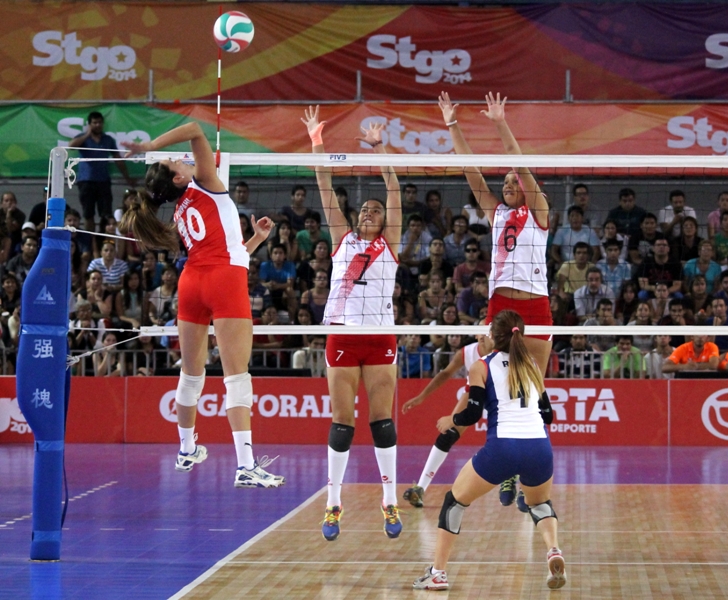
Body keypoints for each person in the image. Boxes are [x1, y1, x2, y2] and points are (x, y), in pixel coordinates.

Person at [120, 121, 283, 489]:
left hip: (193, 282)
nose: (181, 160)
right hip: (223, 281)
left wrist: (256, 239)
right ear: (178, 180)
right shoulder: (206, 182)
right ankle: (245, 465)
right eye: (175, 164)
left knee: (191, 375)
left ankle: (186, 448)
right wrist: (150, 146)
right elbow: (194, 128)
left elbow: (227, 252)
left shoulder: (180, 209)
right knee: (236, 378)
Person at [303, 106, 403, 541]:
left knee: (381, 421)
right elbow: (325, 183)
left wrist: (380, 149)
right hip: (342, 334)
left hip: (379, 335)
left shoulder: (390, 243)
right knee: (342, 422)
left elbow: (395, 190)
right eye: (364, 208)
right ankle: (333, 503)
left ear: (382, 221)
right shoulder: (342, 236)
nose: (369, 212)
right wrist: (316, 141)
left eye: (375, 211)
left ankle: (390, 499)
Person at [412, 310, 564, 592]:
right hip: (540, 447)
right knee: (539, 504)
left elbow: (472, 413)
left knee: (454, 502)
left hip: (503, 447)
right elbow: (548, 415)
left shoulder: (481, 366)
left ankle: (438, 573)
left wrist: (451, 420)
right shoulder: (531, 364)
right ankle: (553, 550)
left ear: (492, 335)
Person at [439, 91, 553, 375]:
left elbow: (519, 163)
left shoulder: (538, 209)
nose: (508, 185)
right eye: (504, 182)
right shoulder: (497, 212)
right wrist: (452, 125)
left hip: (535, 302)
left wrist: (500, 123)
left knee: (533, 385)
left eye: (514, 182)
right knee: (497, 380)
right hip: (500, 303)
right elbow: (470, 170)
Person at [401, 326, 493, 507]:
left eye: (488, 331)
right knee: (448, 434)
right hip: (476, 388)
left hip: (501, 391)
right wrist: (422, 397)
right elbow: (445, 374)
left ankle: (522, 487)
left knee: (513, 437)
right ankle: (420, 488)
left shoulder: (507, 352)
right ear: (476, 334)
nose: (484, 335)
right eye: (481, 330)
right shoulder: (467, 352)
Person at [69, 111, 134, 232]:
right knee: (88, 215)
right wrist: (87, 134)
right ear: (89, 124)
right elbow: (71, 146)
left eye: (100, 122)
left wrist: (127, 178)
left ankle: (104, 243)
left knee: (106, 215)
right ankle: (91, 243)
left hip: (103, 181)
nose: (98, 125)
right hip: (86, 181)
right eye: (94, 123)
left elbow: (118, 159)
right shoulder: (82, 138)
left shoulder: (108, 139)